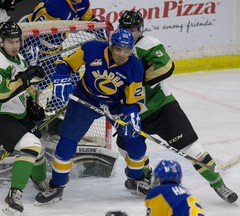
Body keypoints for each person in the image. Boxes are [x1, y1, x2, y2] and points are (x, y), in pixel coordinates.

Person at [116, 10, 238, 203]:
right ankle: (142, 177)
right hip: (134, 112)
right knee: (124, 145)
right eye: (125, 29)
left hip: (162, 109)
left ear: (140, 30)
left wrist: (134, 82)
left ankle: (218, 184)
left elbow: (165, 67)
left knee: (191, 148)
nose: (129, 34)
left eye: (133, 30)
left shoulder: (148, 45)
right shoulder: (115, 47)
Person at [34, 28, 148, 204]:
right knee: (67, 141)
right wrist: (61, 76)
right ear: (111, 46)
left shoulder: (134, 66)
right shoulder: (92, 49)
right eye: (118, 49)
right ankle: (56, 186)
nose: (122, 55)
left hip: (115, 106)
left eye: (126, 51)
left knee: (135, 141)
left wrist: (131, 115)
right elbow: (65, 63)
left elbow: (133, 100)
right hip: (84, 100)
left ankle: (136, 180)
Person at [0, 20, 48, 215]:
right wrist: (26, 77)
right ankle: (13, 196)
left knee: (37, 148)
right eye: (10, 41)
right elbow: (2, 93)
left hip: (14, 113)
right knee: (30, 145)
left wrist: (31, 105)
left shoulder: (19, 59)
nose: (15, 45)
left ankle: (40, 182)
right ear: (0, 41)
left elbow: (21, 89)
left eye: (17, 41)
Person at [20, 0, 105, 92]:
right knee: (32, 81)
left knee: (69, 78)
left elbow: (88, 19)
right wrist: (32, 58)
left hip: (53, 51)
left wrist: (99, 29)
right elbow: (33, 30)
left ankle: (52, 105)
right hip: (31, 47)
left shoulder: (82, 3)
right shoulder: (56, 5)